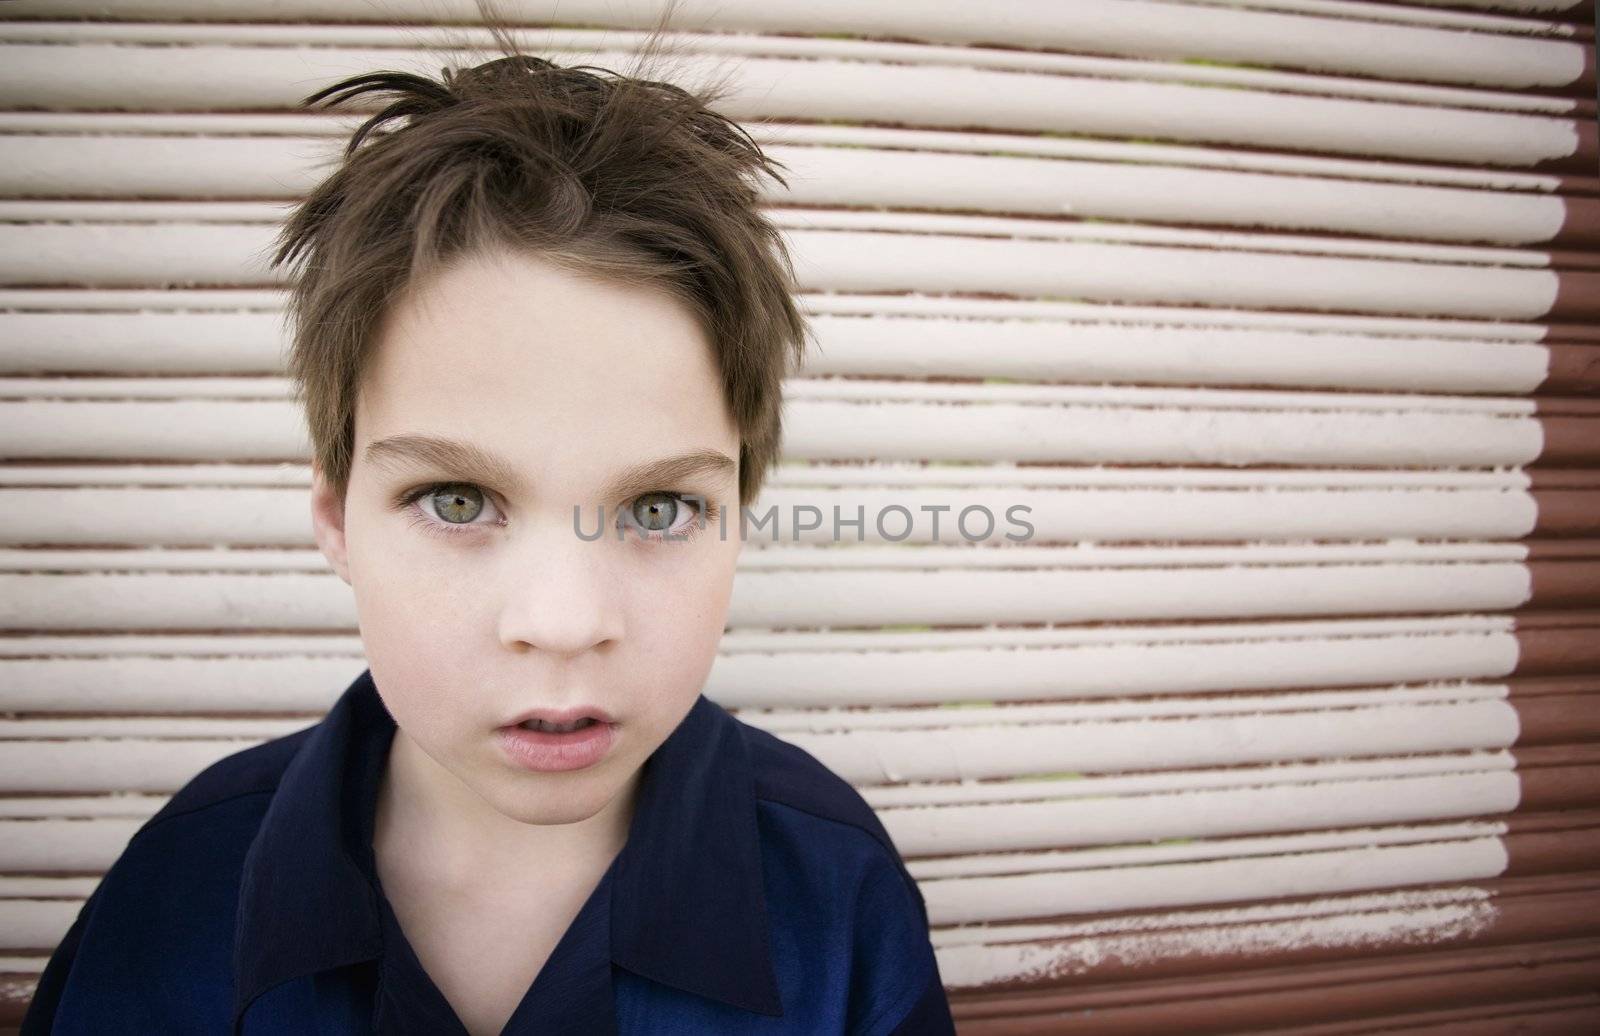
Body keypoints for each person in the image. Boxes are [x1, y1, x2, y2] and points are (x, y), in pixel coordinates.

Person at [20, 13, 956, 1036]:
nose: (560, 622)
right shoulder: (183, 883)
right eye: (457, 501)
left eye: (658, 507)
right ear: (338, 523)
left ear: (738, 518)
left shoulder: (834, 890)